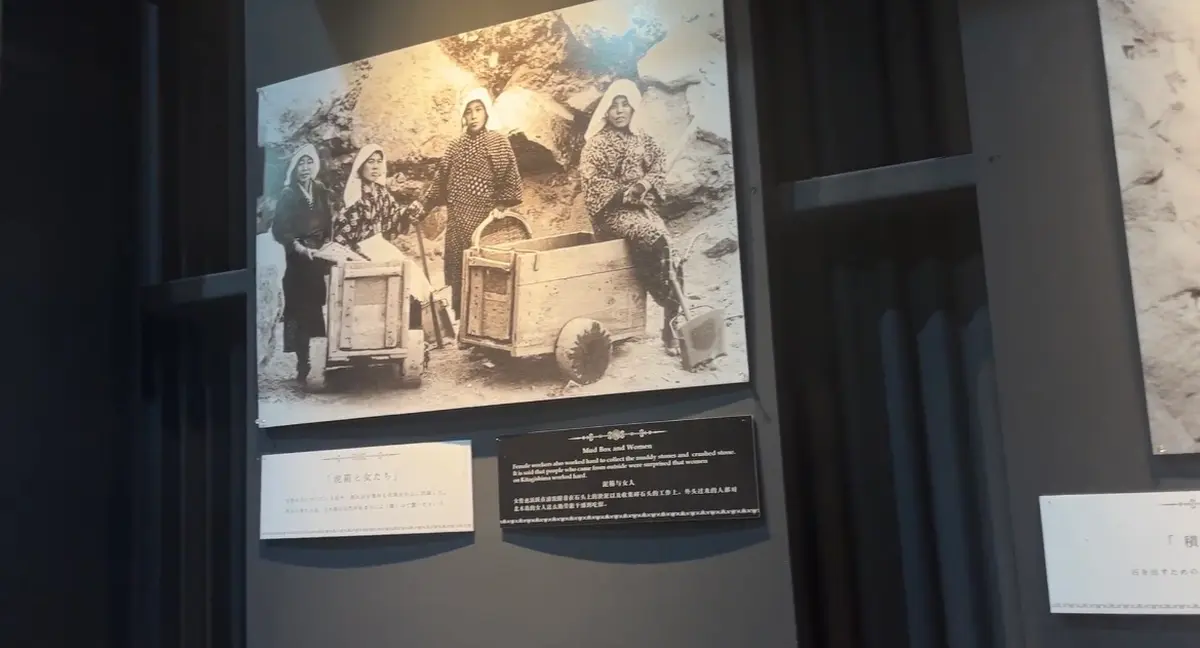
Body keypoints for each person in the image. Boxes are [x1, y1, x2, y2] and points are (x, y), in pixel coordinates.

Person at [579, 78, 683, 355]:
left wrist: (644, 184)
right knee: (655, 240)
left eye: (625, 105)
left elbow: (658, 164)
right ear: (606, 110)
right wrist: (624, 193)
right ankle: (658, 295)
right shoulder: (595, 145)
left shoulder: (641, 138)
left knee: (672, 252)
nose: (620, 111)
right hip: (611, 214)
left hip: (641, 210)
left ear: (633, 107)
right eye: (614, 105)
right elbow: (593, 185)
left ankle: (671, 324)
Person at [408, 87, 523, 319]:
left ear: (486, 112)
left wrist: (501, 207)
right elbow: (439, 184)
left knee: (487, 275)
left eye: (478, 110)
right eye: (468, 111)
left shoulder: (498, 142)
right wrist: (422, 207)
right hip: (458, 224)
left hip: (487, 224)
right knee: (458, 274)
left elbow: (510, 180)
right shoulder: (455, 147)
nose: (473, 116)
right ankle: (462, 324)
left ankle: (489, 322)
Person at [333, 143, 430, 331]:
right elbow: (342, 237)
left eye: (379, 162)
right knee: (393, 283)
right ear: (361, 165)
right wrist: (355, 256)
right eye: (370, 162)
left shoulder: (381, 192)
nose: (375, 167)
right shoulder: (353, 196)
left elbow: (393, 217)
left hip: (379, 245)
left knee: (415, 279)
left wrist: (407, 212)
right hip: (360, 251)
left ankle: (412, 335)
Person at [271, 143, 335, 384]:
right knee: (300, 311)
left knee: (316, 308)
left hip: (317, 259)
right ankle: (302, 364)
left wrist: (327, 246)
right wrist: (299, 248)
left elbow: (328, 223)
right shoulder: (288, 195)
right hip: (297, 262)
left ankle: (319, 362)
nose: (305, 168)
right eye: (301, 163)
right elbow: (280, 230)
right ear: (294, 167)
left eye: (309, 162)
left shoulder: (320, 190)